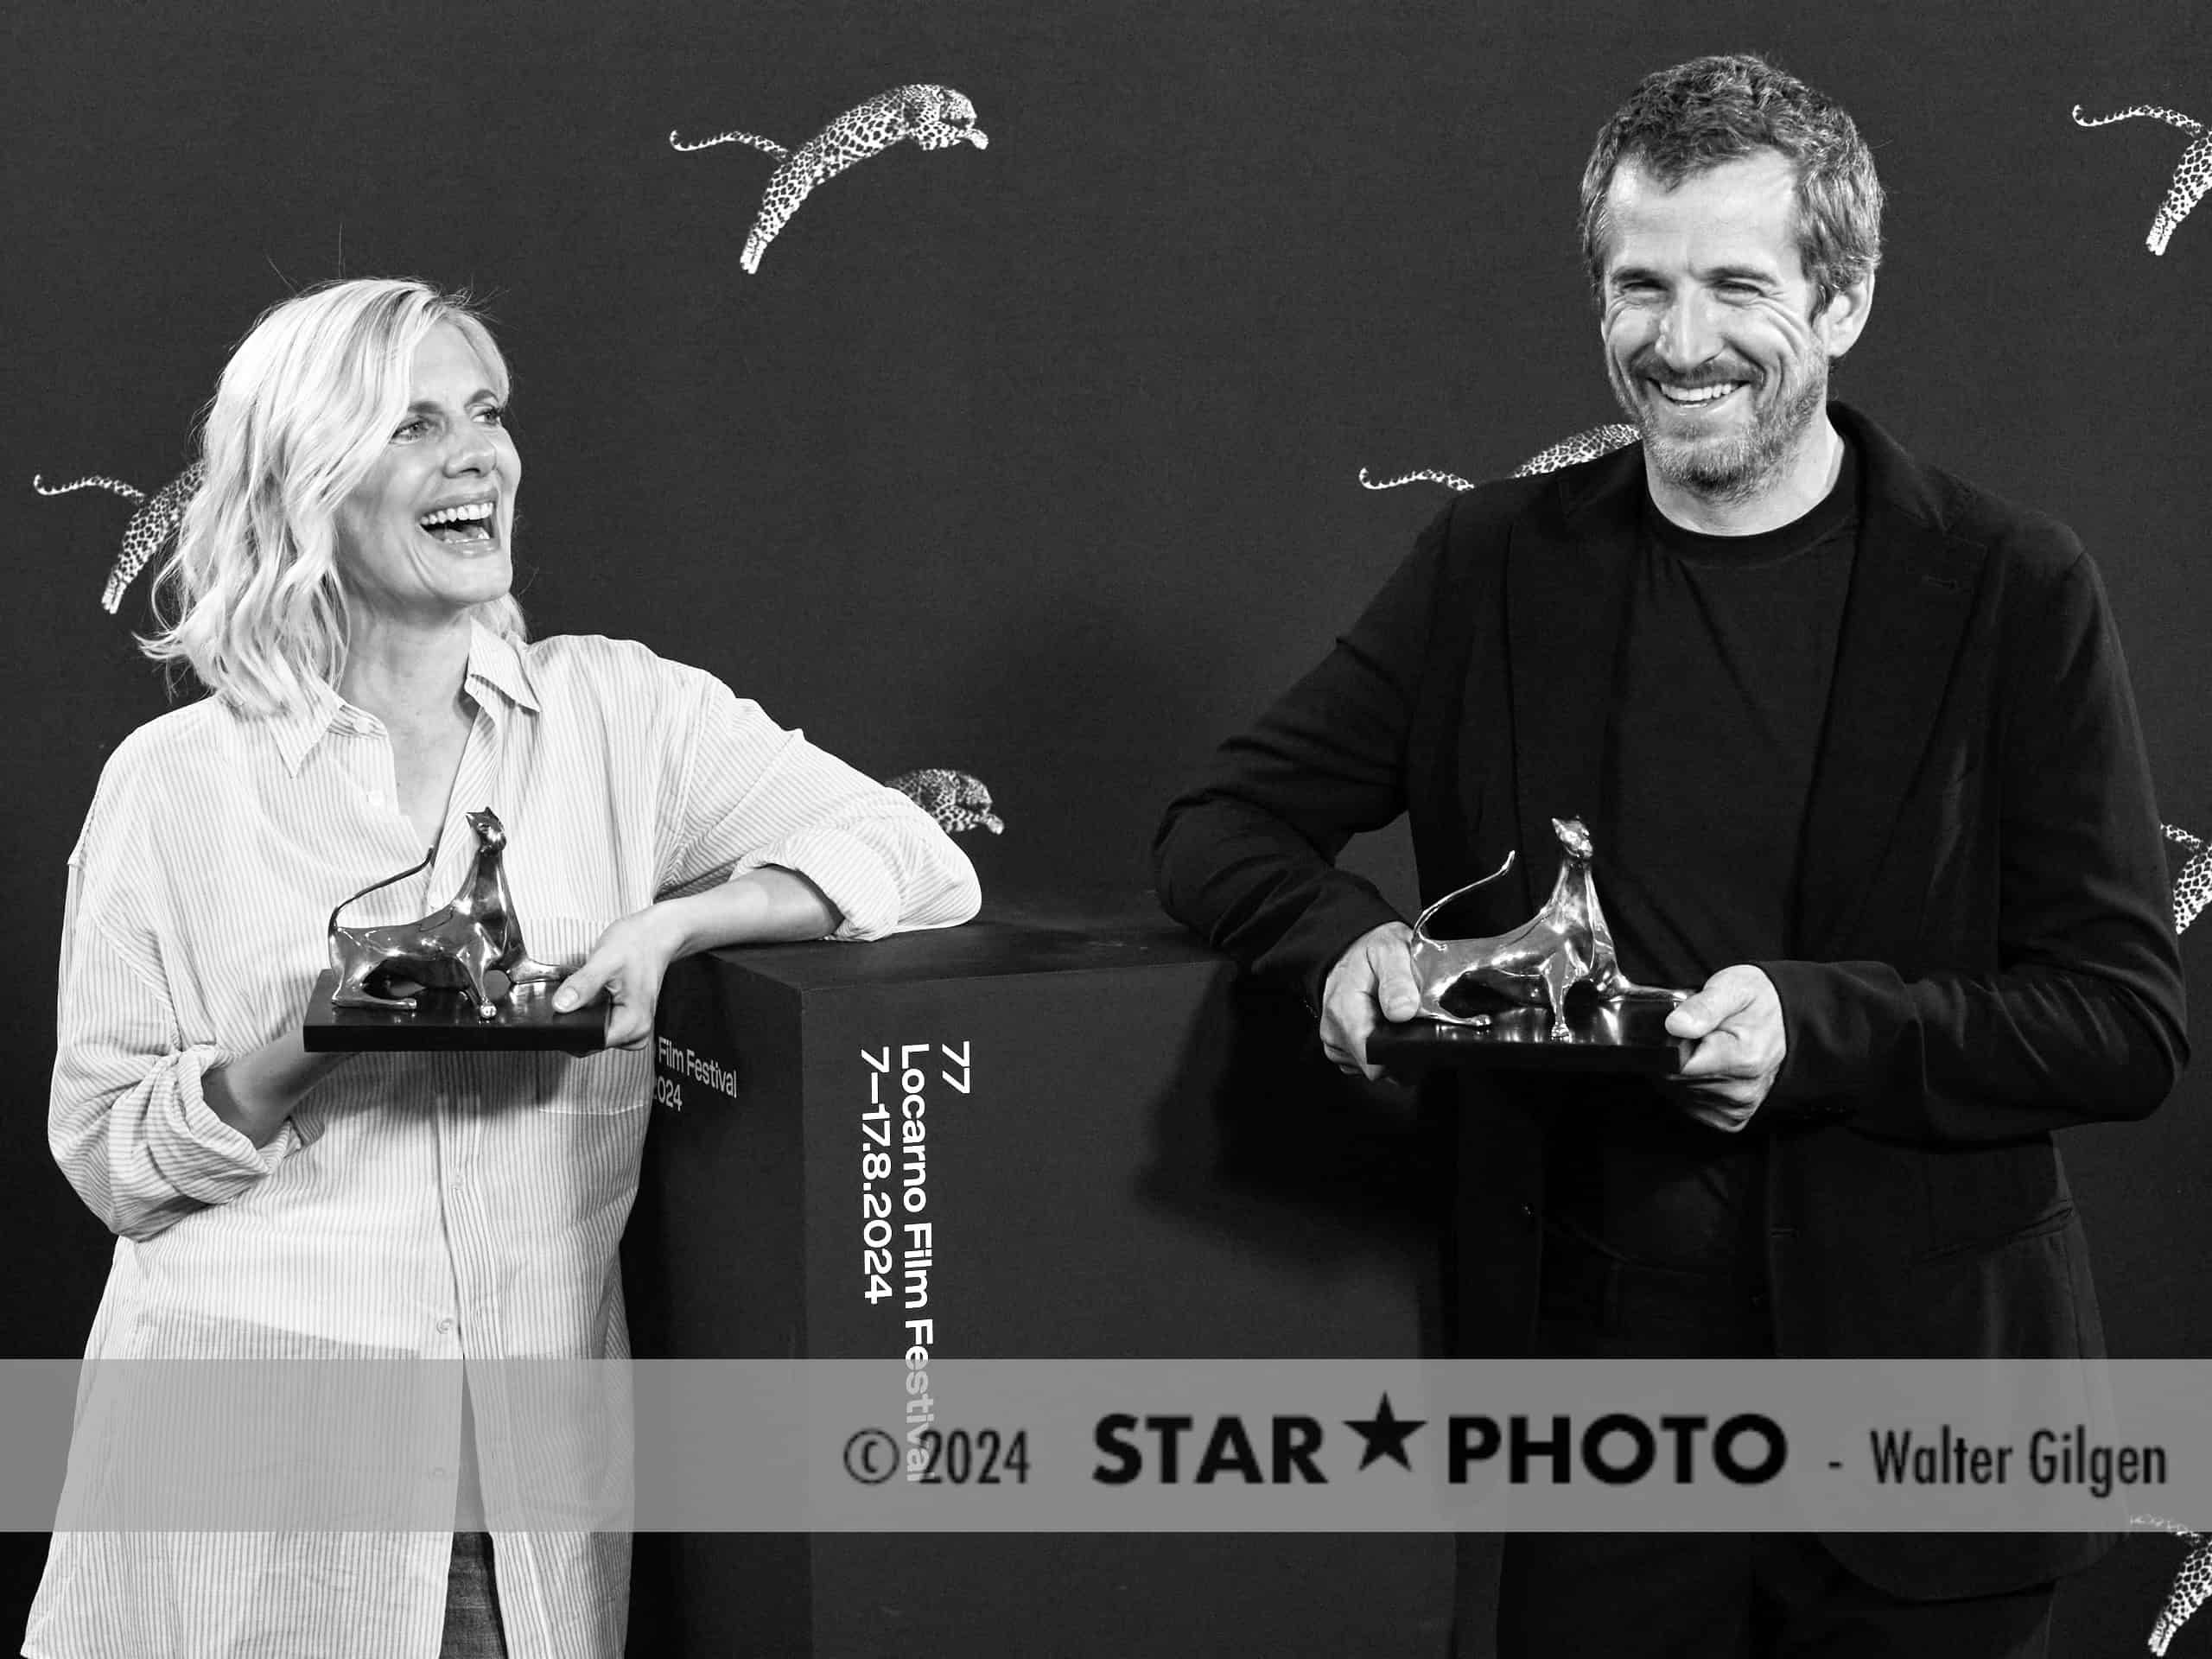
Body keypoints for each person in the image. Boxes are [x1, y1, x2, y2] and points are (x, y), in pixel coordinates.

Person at [1153, 53, 2186, 1659]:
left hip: (1937, 1438)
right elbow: (1216, 825)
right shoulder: (1495, 566)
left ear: (1841, 304)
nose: (1681, 340)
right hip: (1607, 1432)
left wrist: (1814, 1026)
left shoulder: (2010, 589)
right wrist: (1346, 942)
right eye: (1641, 285)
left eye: (1734, 285)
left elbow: (2125, 1021)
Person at [27, 276, 981, 1658]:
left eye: (486, 412)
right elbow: (112, 1159)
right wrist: (313, 1040)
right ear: (304, 480)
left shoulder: (623, 715)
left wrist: (678, 923)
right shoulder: (171, 786)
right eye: (414, 424)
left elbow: (919, 858)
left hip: (514, 1498)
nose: (478, 454)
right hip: (237, 1500)